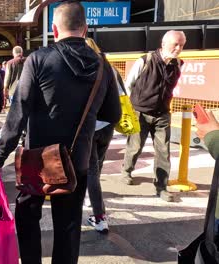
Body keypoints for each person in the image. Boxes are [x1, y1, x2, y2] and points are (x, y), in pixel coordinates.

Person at [0, 2, 121, 263]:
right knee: (69, 224)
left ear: (54, 29)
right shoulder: (103, 65)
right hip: (77, 157)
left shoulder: (38, 59)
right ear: (85, 29)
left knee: (27, 215)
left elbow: (18, 113)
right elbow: (112, 115)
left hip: (36, 159)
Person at [121, 30, 187, 202]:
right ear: (164, 44)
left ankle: (161, 186)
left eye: (181, 45)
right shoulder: (145, 60)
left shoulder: (178, 64)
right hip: (139, 111)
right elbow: (129, 85)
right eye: (175, 44)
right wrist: (130, 110)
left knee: (163, 151)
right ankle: (126, 170)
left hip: (162, 113)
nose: (178, 48)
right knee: (135, 146)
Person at [84, 38, 125, 233]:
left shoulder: (83, 69)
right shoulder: (109, 67)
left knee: (91, 170)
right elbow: (121, 94)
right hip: (108, 125)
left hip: (89, 125)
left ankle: (100, 217)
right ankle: (92, 197)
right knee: (96, 167)